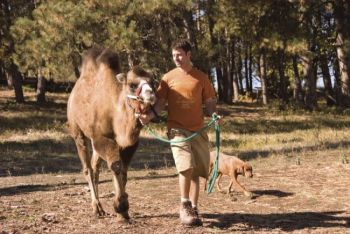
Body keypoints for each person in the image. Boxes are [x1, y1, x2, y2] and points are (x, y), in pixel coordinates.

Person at [139, 39, 217, 226]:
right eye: (174, 55)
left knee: (197, 170)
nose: (176, 58)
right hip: (176, 129)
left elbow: (209, 101)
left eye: (180, 55)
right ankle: (184, 204)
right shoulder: (168, 78)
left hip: (197, 129)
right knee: (185, 166)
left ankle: (194, 207)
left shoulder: (201, 77)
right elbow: (159, 103)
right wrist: (148, 116)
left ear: (189, 55)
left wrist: (214, 114)